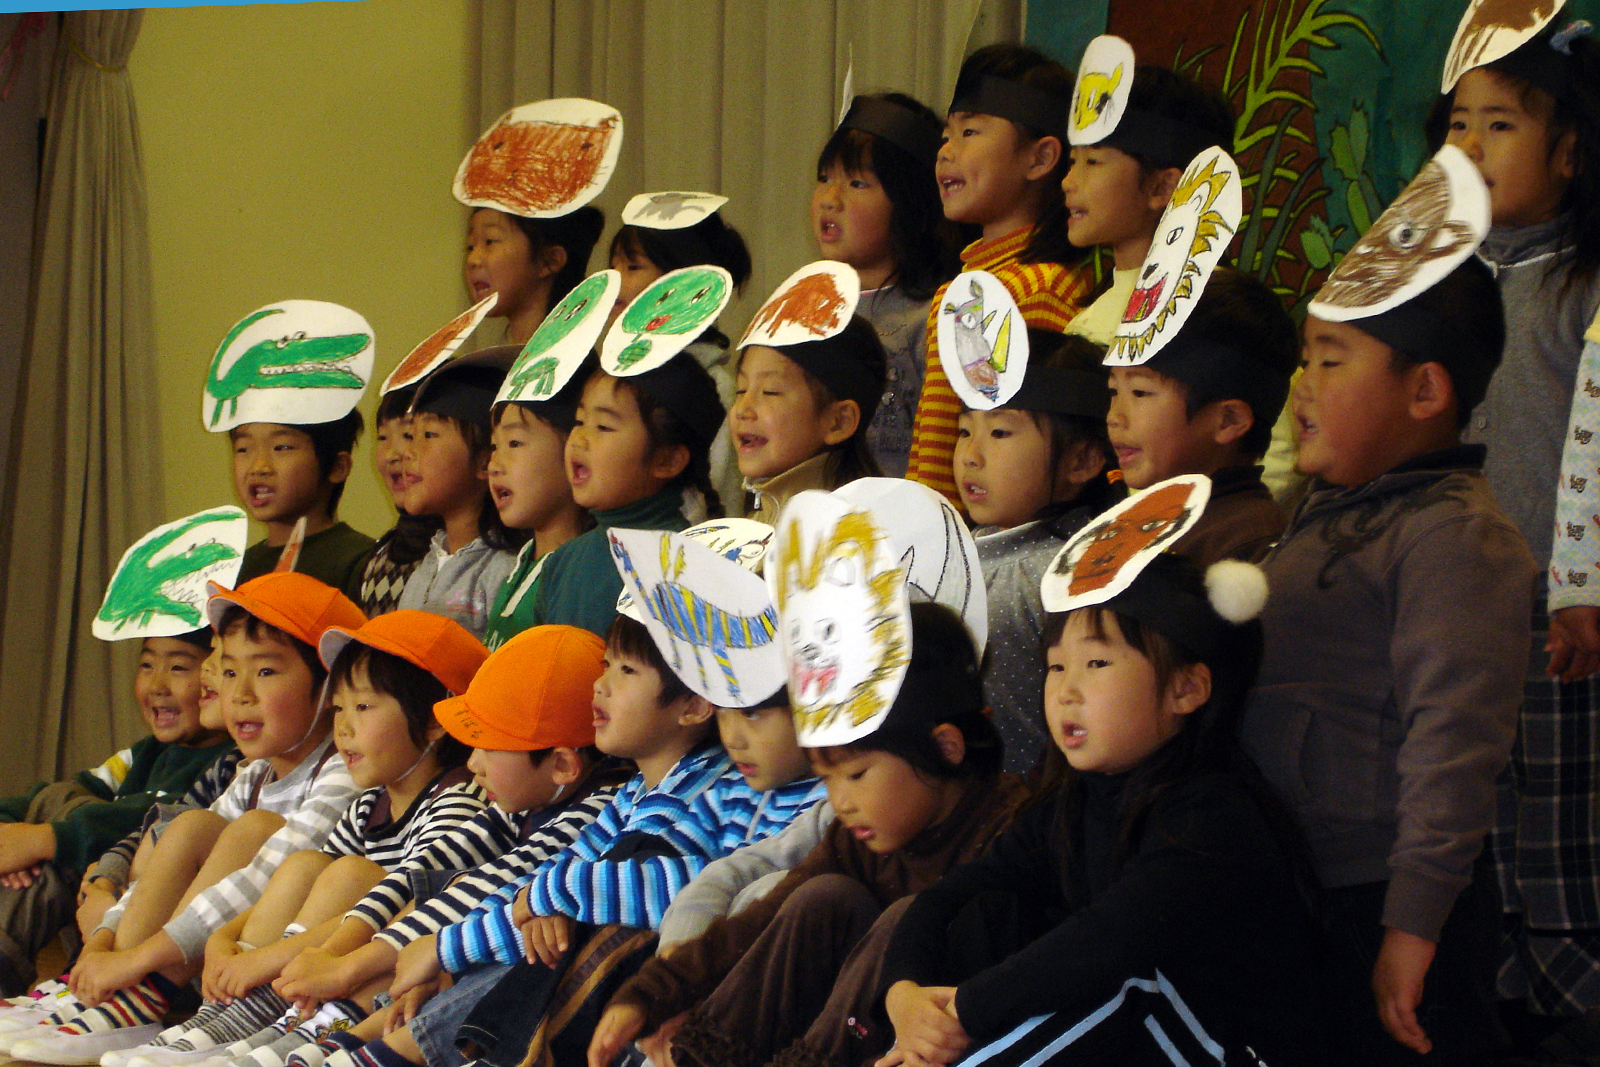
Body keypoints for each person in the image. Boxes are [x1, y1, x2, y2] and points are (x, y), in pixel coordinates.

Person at [883, 496, 1326, 1066]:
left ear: (1186, 689)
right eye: (1055, 666)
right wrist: (906, 998)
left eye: (1095, 664)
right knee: (990, 915)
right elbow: (947, 897)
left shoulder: (1215, 819)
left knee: (1124, 988)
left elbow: (1104, 945)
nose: (1065, 691)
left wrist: (960, 1015)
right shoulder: (1065, 804)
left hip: (1238, 1050)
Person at [1242, 218, 1536, 1058]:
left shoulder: (1453, 533)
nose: (1302, 382)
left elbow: (1455, 738)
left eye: (1332, 359)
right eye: (1305, 356)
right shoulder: (1322, 511)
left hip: (1389, 902)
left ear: (1425, 391)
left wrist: (1411, 926)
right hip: (1313, 885)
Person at [590, 603, 1024, 1067]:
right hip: (833, 1027)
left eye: (856, 775)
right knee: (822, 896)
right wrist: (651, 992)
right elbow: (761, 921)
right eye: (827, 778)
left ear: (945, 747)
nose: (841, 801)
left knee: (906, 918)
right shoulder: (855, 838)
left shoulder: (1012, 831)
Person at [5, 575, 366, 1064]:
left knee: (254, 830)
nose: (238, 694)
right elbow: (171, 858)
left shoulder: (340, 775)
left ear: (329, 688)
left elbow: (258, 880)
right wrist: (107, 940)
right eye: (230, 672)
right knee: (190, 826)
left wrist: (139, 960)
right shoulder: (253, 772)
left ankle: (141, 994)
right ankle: (105, 995)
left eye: (263, 673)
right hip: (199, 953)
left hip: (261, 972)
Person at [1430, 19, 1600, 1030]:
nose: (1472, 147)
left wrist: (1584, 585)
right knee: (1474, 789)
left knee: (1559, 813)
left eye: (1499, 124)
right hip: (1463, 597)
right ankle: (1489, 982)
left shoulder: (1580, 285)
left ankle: (1568, 985)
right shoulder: (1446, 287)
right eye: (1457, 124)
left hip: (1559, 593)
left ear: (1569, 152)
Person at [267, 626, 627, 1067]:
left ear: (562, 765)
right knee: (430, 886)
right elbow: (424, 869)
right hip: (457, 952)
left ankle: (345, 1053)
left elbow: (485, 887)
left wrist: (353, 968)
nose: (472, 763)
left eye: (489, 747)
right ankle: (323, 1043)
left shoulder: (597, 809)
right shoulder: (519, 802)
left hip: (523, 992)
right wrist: (335, 955)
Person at [907, 44, 1095, 502]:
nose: (945, 153)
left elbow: (940, 462)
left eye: (969, 131)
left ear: (1041, 158)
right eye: (946, 135)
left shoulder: (1029, 289)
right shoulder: (984, 280)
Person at [0, 630, 230, 996]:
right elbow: (58, 794)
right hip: (97, 887)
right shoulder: (144, 754)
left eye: (178, 667)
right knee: (61, 798)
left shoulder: (229, 762)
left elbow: (153, 823)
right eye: (147, 664)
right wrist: (10, 836)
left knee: (65, 835)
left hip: (143, 907)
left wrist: (47, 840)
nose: (156, 684)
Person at [953, 329, 1118, 770]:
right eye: (965, 429)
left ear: (1081, 461)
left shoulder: (1053, 575)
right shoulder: (960, 545)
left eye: (1000, 432)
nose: (971, 454)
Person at [484, 354, 723, 644]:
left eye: (603, 427)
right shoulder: (562, 561)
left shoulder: (680, 567)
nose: (579, 439)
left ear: (667, 459)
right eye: (579, 421)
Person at [813, 93, 963, 476]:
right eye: (825, 178)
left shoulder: (930, 319)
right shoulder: (804, 308)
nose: (830, 199)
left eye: (857, 183)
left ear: (912, 207)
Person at [1105, 268, 1299, 564]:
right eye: (1113, 391)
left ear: (1229, 420)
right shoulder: (1141, 521)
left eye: (1140, 392)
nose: (1114, 417)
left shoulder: (1246, 541)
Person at [607, 195, 752, 510]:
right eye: (612, 265)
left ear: (686, 285)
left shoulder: (715, 388)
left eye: (632, 266)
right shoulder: (609, 378)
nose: (613, 280)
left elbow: (714, 495)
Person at [396, 351, 521, 640]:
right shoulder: (423, 568)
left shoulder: (501, 571)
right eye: (410, 436)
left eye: (428, 435)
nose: (407, 452)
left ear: (483, 461)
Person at [734, 312, 888, 523]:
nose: (742, 409)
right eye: (740, 390)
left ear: (839, 422)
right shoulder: (756, 518)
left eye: (770, 391)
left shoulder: (853, 534)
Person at [464, 207, 606, 347]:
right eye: (471, 246)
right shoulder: (492, 365)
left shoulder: (571, 362)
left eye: (490, 241)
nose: (472, 260)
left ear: (550, 260)